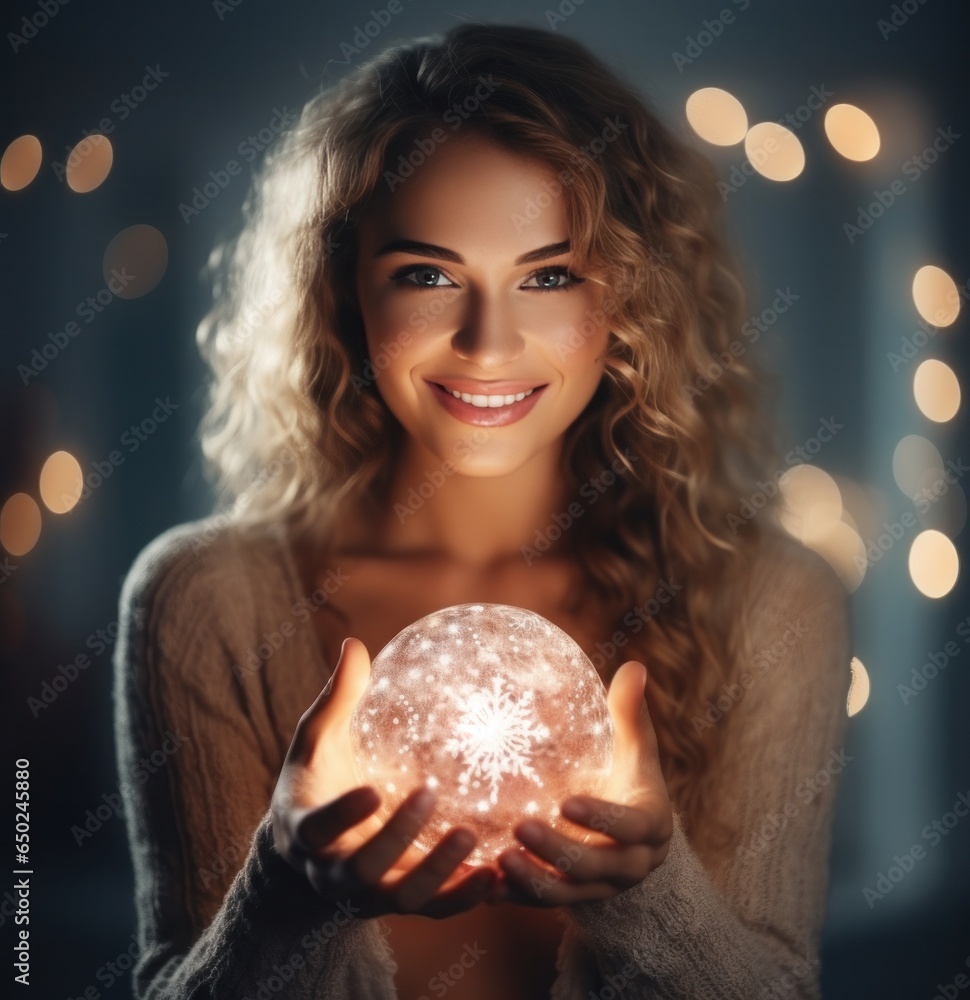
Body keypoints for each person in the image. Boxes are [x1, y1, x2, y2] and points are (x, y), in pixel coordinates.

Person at [113, 21, 852, 1000]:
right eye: (426, 274)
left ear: (629, 295)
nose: (488, 342)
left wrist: (649, 893)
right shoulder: (205, 601)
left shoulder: (769, 602)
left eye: (548, 275)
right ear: (343, 293)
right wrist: (286, 895)